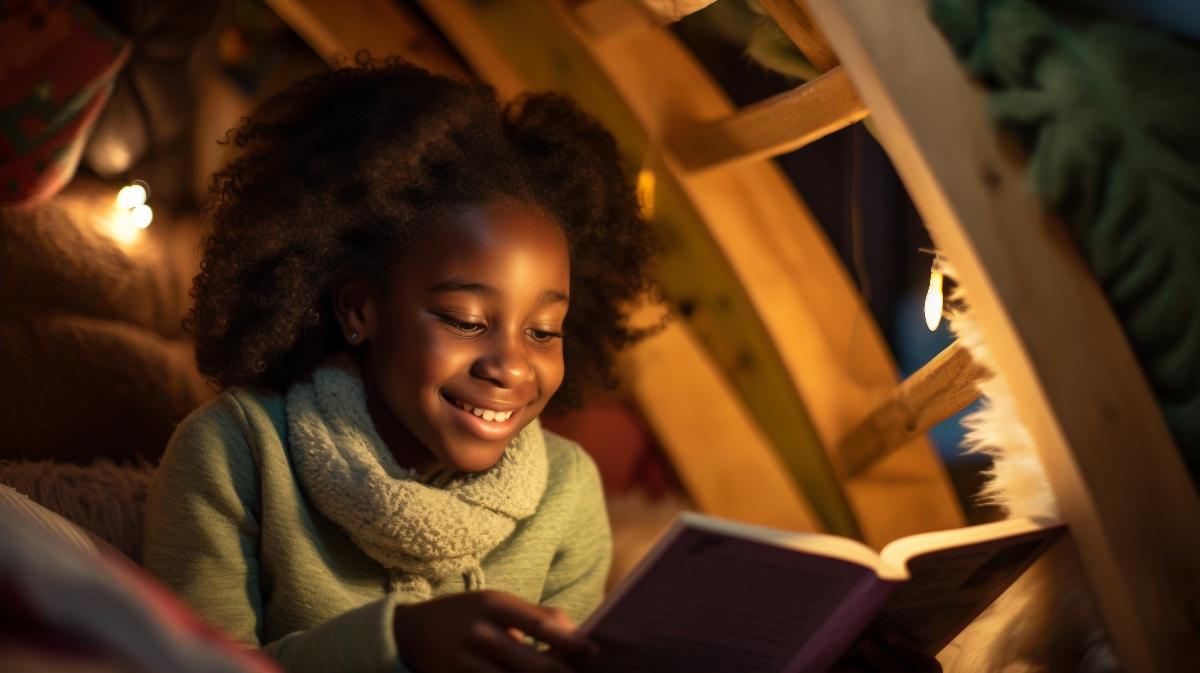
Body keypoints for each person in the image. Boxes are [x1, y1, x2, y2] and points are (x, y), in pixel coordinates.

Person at [142, 58, 658, 673]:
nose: (513, 367)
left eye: (543, 331)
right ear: (361, 309)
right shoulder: (237, 453)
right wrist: (399, 644)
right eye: (467, 320)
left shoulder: (568, 491)